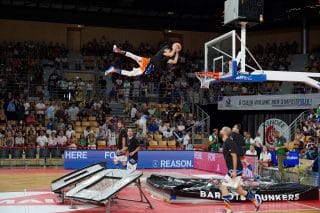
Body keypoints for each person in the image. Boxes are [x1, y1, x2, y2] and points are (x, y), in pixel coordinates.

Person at [219, 126, 262, 213]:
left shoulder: (229, 142)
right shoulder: (228, 142)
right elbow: (239, 155)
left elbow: (234, 156)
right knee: (239, 190)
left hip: (235, 170)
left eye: (222, 129)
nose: (220, 130)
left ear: (224, 132)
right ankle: (256, 201)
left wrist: (234, 171)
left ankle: (228, 209)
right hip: (236, 169)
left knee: (223, 187)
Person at [105, 42, 182, 77]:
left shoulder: (165, 59)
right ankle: (114, 68)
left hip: (147, 63)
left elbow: (174, 61)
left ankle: (117, 53)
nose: (170, 51)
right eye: (169, 50)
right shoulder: (164, 50)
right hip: (148, 65)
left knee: (133, 56)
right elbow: (171, 54)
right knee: (130, 72)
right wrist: (175, 49)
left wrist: (177, 53)